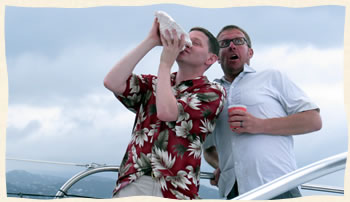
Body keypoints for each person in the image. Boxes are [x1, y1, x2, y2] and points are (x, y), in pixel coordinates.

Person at [103, 18, 226, 200]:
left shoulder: (213, 92)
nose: (187, 44)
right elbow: (112, 82)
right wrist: (151, 40)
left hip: (176, 190)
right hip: (134, 182)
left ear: (211, 58)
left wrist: (165, 64)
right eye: (186, 39)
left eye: (196, 43)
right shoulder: (155, 83)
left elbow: (167, 112)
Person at [203, 25, 322, 200]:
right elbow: (208, 148)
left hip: (279, 186)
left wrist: (258, 124)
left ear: (250, 52)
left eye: (239, 41)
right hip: (235, 193)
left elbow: (313, 120)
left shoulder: (272, 77)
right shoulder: (211, 94)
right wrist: (222, 165)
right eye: (224, 43)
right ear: (217, 58)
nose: (232, 46)